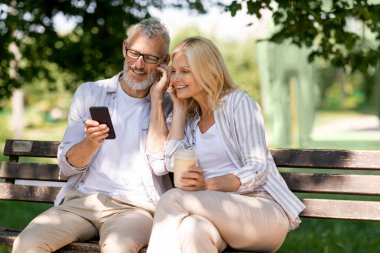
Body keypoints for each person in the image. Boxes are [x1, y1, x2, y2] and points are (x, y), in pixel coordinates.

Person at [12, 17, 173, 253]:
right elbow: (67, 168)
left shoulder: (171, 106)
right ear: (123, 48)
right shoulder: (91, 93)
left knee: (116, 248)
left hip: (136, 209)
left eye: (149, 58)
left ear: (164, 62)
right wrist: (90, 142)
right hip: (82, 202)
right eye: (134, 53)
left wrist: (158, 100)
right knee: (26, 244)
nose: (138, 65)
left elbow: (163, 164)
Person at [146, 37, 305, 253]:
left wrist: (207, 184)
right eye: (173, 71)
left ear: (207, 71)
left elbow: (258, 169)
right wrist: (180, 109)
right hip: (213, 214)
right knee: (191, 230)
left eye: (185, 71)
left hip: (261, 211)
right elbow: (174, 164)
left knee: (171, 198)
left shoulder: (238, 103)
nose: (175, 79)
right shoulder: (191, 118)